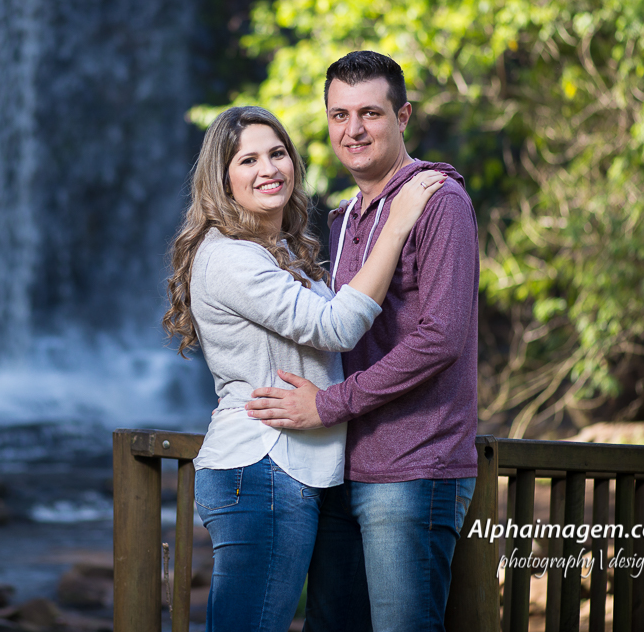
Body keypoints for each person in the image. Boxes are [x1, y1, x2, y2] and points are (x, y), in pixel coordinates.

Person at [162, 105, 447, 632]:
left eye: (277, 154)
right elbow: (336, 329)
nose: (268, 168)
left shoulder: (283, 250)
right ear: (222, 179)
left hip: (294, 470)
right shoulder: (230, 257)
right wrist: (398, 220)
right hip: (262, 467)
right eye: (247, 159)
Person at [245, 50, 480, 632]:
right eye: (340, 114)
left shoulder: (439, 201)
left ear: (402, 117)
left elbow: (441, 338)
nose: (354, 130)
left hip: (413, 467)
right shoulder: (342, 217)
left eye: (370, 113)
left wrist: (326, 404)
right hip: (339, 470)